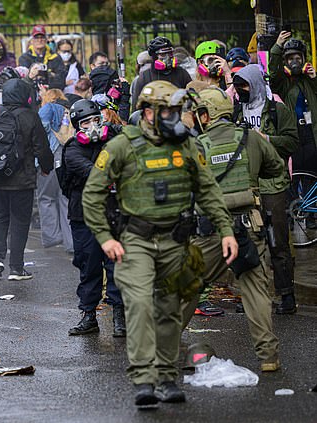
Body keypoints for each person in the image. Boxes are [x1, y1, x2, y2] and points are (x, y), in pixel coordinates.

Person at [82, 80, 238, 407]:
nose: (174, 117)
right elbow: (92, 196)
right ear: (149, 112)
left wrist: (226, 229)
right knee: (139, 305)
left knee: (169, 309)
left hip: (175, 241)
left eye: (177, 110)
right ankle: (144, 379)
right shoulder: (122, 146)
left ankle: (167, 378)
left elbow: (208, 190)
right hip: (135, 241)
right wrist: (106, 239)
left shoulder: (186, 145)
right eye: (167, 110)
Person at [183, 87, 285, 371]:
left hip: (211, 231)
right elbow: (277, 169)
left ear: (206, 115)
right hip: (249, 227)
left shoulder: (197, 145)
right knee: (256, 292)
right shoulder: (250, 137)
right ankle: (268, 358)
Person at [233, 64, 299, 314]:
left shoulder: (277, 110)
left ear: (256, 84)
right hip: (247, 186)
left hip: (273, 186)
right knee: (249, 241)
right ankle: (253, 296)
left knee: (277, 241)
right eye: (237, 86)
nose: (240, 91)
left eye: (245, 85)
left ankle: (287, 296)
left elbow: (293, 141)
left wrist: (267, 139)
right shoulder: (239, 110)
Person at [0, 78, 54, 280]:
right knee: (19, 221)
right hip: (22, 180)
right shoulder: (30, 116)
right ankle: (17, 267)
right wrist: (46, 168)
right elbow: (42, 148)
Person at [63, 99, 125, 337]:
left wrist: (118, 130)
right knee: (88, 265)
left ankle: (119, 315)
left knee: (116, 265)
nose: (93, 126)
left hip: (113, 212)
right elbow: (98, 173)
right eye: (86, 122)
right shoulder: (72, 149)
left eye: (97, 120)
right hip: (84, 215)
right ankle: (89, 315)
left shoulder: (113, 141)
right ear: (78, 126)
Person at [269, 32, 317, 175]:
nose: (295, 62)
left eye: (298, 58)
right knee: (295, 174)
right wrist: (277, 47)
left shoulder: (309, 80)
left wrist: (314, 79)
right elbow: (273, 73)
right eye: (290, 59)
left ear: (304, 59)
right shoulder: (283, 84)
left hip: (311, 134)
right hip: (294, 135)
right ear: (285, 61)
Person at [37, 88, 73, 252]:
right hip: (66, 156)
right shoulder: (68, 110)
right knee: (65, 198)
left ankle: (52, 236)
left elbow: (41, 129)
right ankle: (71, 241)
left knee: (46, 197)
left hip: (50, 155)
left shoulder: (48, 108)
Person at [130, 37, 192, 110]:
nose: (168, 57)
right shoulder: (145, 77)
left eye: (170, 53)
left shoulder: (181, 73)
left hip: (177, 115)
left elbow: (191, 97)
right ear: (154, 57)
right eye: (163, 54)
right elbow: (136, 108)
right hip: (153, 117)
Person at [18, 25, 66, 90]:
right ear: (32, 40)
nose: (39, 40)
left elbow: (61, 80)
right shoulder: (24, 58)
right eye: (36, 38)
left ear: (46, 39)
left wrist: (48, 84)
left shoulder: (55, 57)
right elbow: (23, 80)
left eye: (42, 37)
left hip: (52, 92)